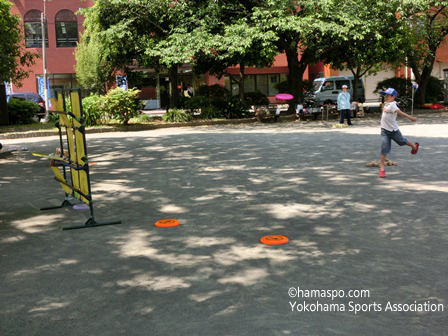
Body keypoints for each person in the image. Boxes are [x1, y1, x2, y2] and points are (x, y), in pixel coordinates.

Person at [378, 88, 419, 178]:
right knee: (384, 148)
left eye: (388, 95)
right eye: (385, 95)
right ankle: (382, 170)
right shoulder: (387, 103)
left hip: (393, 130)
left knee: (402, 142)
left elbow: (401, 113)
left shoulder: (393, 105)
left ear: (393, 97)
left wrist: (411, 118)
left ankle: (414, 146)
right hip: (384, 130)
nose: (386, 96)